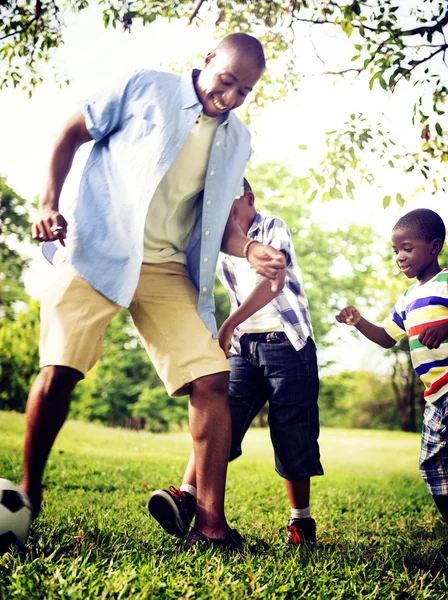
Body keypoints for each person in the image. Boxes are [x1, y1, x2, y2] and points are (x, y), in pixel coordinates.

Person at [25, 33, 287, 553]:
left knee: (212, 379)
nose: (231, 97)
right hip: (98, 247)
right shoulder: (145, 88)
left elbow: (218, 221)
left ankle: (211, 527)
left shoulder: (238, 141)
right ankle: (26, 498)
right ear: (208, 59)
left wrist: (248, 250)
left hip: (167, 268)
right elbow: (70, 132)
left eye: (245, 91)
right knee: (60, 370)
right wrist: (49, 202)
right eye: (226, 82)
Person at [148, 179, 324, 550]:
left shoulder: (271, 227)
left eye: (232, 211)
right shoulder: (218, 243)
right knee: (221, 415)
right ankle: (186, 495)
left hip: (287, 343)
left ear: (249, 199)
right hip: (245, 347)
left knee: (292, 433)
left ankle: (301, 522)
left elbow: (272, 284)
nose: (228, 220)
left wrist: (229, 324)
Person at [336, 208, 448, 557]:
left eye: (407, 248)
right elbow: (386, 337)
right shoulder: (407, 298)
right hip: (435, 398)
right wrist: (359, 321)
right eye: (395, 250)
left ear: (433, 247)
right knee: (432, 466)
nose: (399, 257)